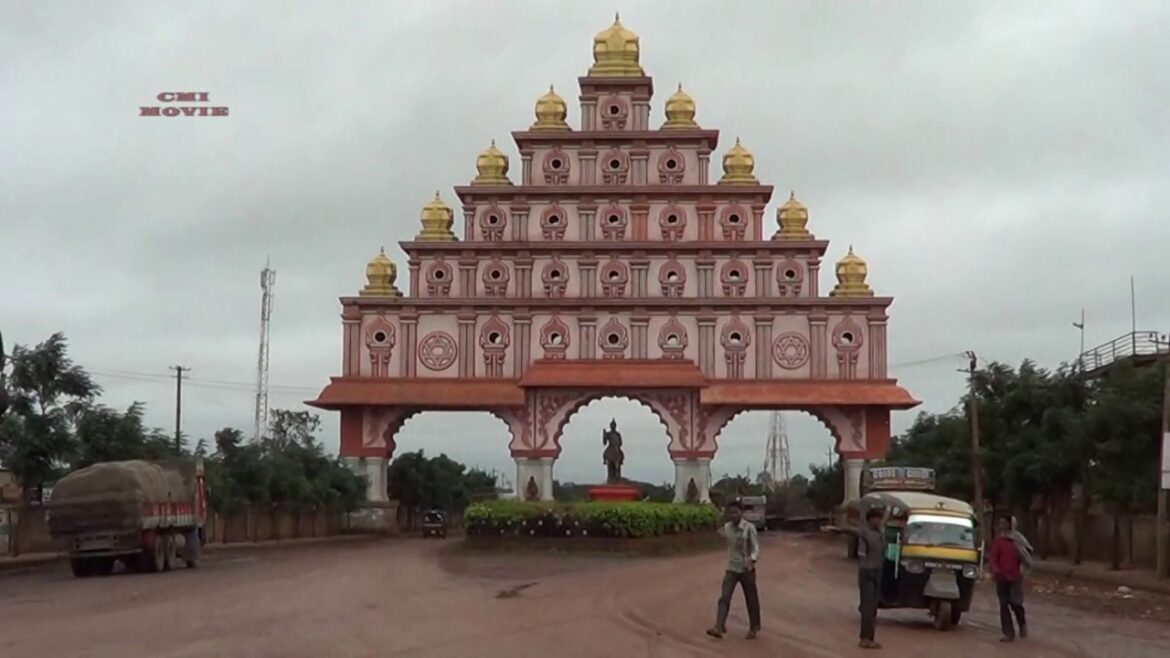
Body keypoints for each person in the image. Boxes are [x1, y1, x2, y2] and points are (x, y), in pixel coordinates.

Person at [706, 502, 761, 640]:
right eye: (731, 513)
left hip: (746, 569)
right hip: (731, 568)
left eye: (736, 512)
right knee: (724, 597)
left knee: (751, 599)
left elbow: (755, 548)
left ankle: (754, 627)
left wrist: (752, 559)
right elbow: (716, 531)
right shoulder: (727, 527)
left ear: (741, 513)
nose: (734, 515)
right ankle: (719, 626)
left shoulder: (749, 528)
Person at [837, 507, 887, 650]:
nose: (878, 521)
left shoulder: (880, 534)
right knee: (868, 607)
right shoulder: (865, 532)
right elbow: (851, 530)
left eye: (880, 518)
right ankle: (865, 639)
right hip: (867, 572)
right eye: (876, 518)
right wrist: (840, 526)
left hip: (878, 571)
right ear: (870, 520)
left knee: (873, 607)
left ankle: (870, 638)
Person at [989, 515, 1028, 642]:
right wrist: (994, 568)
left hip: (1016, 576)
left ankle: (1022, 623)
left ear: (1011, 525)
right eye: (1000, 523)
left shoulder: (1018, 540)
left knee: (1016, 603)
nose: (1002, 526)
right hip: (1001, 576)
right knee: (1003, 604)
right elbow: (993, 557)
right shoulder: (999, 541)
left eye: (1004, 523)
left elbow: (1026, 556)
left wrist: (1022, 567)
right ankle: (1008, 633)